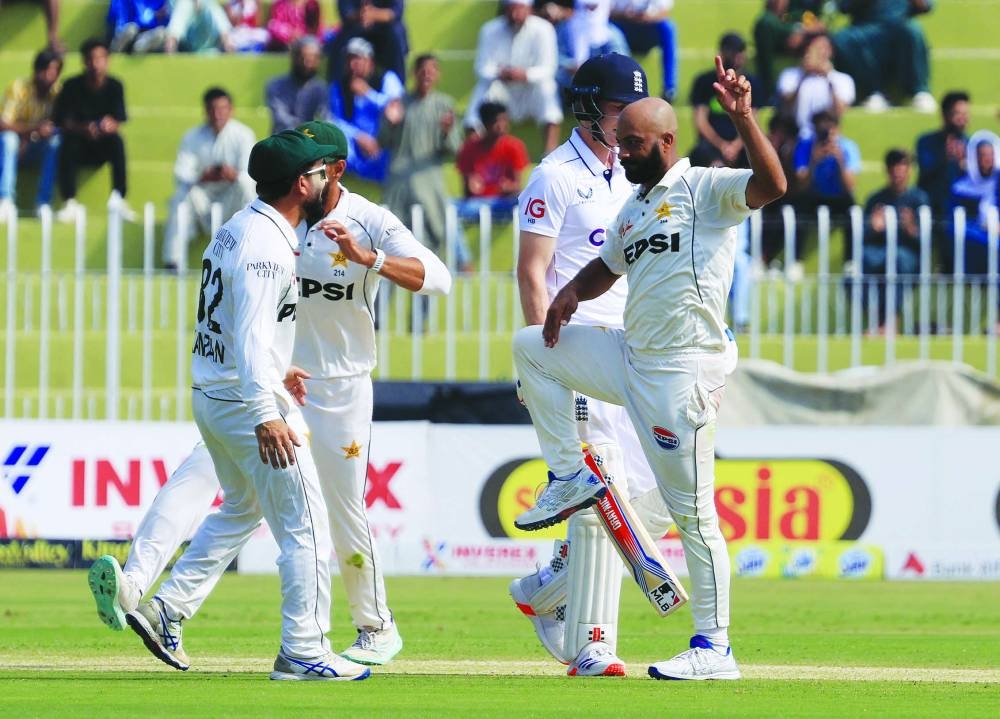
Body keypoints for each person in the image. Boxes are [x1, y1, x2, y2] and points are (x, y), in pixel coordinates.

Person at [88, 120, 451, 668]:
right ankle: (156, 594)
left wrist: (368, 259)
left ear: (334, 172)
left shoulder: (364, 220)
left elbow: (440, 278)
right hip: (266, 391)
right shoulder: (270, 231)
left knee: (334, 508)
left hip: (333, 386)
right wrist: (267, 395)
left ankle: (374, 626)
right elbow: (255, 323)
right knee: (240, 494)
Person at [511, 59, 786, 681]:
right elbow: (602, 266)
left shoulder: (705, 190)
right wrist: (565, 300)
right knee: (532, 346)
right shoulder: (633, 206)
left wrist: (743, 115)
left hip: (680, 375)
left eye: (634, 143)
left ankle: (713, 648)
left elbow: (772, 185)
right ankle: (565, 478)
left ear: (666, 142)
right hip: (629, 357)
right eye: (620, 137)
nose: (622, 150)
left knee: (686, 515)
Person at [120, 128, 374, 681]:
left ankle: (168, 607)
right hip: (245, 402)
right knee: (306, 525)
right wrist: (265, 409)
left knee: (241, 508)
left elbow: (235, 320)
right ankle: (303, 650)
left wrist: (276, 372)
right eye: (316, 173)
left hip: (216, 393)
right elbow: (255, 332)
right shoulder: (265, 247)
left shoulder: (239, 228)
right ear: (299, 184)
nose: (324, 178)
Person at [509, 53, 674, 677]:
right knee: (598, 483)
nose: (624, 119)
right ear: (586, 108)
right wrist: (540, 365)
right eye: (614, 109)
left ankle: (548, 588)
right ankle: (594, 642)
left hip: (633, 350)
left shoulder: (636, 175)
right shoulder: (553, 176)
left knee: (644, 495)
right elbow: (531, 273)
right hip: (574, 345)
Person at [380, 54, 466, 269]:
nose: (427, 74)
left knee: (430, 243)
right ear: (413, 73)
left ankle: (425, 301)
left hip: (430, 184)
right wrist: (391, 124)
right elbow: (381, 142)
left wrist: (446, 132)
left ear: (438, 75)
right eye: (422, 69)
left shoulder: (444, 105)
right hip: (399, 183)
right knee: (390, 243)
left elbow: (455, 150)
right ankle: (380, 303)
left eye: (432, 69)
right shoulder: (398, 104)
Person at [162, 87, 256, 270]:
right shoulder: (191, 136)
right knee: (181, 195)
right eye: (212, 109)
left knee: (246, 184)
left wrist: (233, 174)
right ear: (205, 111)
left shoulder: (244, 135)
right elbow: (181, 173)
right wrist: (203, 176)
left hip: (232, 198)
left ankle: (250, 250)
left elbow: (250, 172)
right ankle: (173, 261)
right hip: (203, 198)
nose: (217, 114)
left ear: (231, 110)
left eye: (222, 108)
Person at [464, 0, 562, 156]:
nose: (515, 15)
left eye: (519, 9)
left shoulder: (544, 29)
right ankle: (475, 155)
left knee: (547, 88)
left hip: (531, 89)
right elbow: (481, 68)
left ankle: (550, 153)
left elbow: (548, 68)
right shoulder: (490, 29)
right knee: (483, 90)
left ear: (529, 9)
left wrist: (525, 74)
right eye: (511, 10)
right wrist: (500, 73)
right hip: (502, 89)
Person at [51, 38, 132, 223]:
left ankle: (119, 198)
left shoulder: (115, 86)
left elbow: (119, 119)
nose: (95, 64)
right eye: (91, 59)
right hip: (78, 143)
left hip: (103, 144)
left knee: (117, 141)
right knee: (66, 143)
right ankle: (69, 201)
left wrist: (109, 125)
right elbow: (61, 121)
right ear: (84, 61)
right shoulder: (71, 86)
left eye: (100, 58)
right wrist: (83, 128)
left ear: (107, 60)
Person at [860, 149, 930, 324]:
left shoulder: (919, 199)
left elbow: (926, 241)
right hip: (879, 252)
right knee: (863, 263)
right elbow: (863, 237)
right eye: (894, 168)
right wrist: (874, 228)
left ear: (909, 171)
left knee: (896, 261)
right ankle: (876, 319)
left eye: (903, 167)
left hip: (908, 256)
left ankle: (889, 320)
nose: (898, 173)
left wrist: (911, 229)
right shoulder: (875, 199)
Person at [832, 0, 935, 113]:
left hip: (899, 24)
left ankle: (920, 92)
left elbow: (926, 7)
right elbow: (843, 7)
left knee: (913, 30)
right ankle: (873, 93)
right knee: (843, 40)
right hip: (865, 27)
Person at [329, 36, 404, 183]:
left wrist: (368, 94)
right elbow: (335, 120)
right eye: (349, 59)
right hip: (356, 144)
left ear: (370, 61)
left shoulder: (387, 79)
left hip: (383, 142)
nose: (352, 64)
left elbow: (396, 110)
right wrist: (359, 136)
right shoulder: (338, 87)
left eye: (357, 59)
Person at [0, 49, 62, 223]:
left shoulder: (57, 94)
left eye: (55, 72)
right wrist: (32, 131)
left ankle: (43, 203)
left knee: (56, 142)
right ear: (36, 71)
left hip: (35, 147)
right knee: (9, 139)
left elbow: (58, 125)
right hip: (11, 147)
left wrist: (35, 136)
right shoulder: (18, 88)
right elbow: (3, 124)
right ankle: (5, 200)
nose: (50, 76)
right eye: (47, 70)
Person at [689, 32, 763, 168]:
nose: (737, 56)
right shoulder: (704, 82)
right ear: (722, 52)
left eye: (740, 51)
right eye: (732, 51)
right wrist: (722, 145)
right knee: (701, 155)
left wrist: (735, 147)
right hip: (712, 145)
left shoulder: (752, 84)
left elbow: (753, 120)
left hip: (741, 146)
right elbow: (700, 121)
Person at [455, 101, 530, 223]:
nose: (502, 125)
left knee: (521, 204)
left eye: (505, 120)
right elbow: (467, 192)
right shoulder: (469, 148)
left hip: (504, 204)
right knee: (449, 208)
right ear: (485, 123)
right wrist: (471, 187)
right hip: (477, 204)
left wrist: (508, 188)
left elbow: (518, 187)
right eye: (497, 121)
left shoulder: (515, 146)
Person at [775, 32, 854, 138]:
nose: (818, 52)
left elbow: (840, 111)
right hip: (795, 137)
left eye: (822, 47)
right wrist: (803, 76)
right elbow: (787, 104)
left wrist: (828, 77)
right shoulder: (790, 75)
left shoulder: (843, 79)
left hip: (827, 137)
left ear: (830, 51)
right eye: (814, 47)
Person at [916, 91, 970, 239]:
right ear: (945, 115)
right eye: (957, 114)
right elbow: (925, 177)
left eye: (965, 114)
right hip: (933, 206)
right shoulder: (926, 142)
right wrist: (944, 159)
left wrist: (965, 166)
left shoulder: (972, 146)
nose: (962, 119)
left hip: (964, 209)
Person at [752, 0, 825, 103]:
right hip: (775, 81)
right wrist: (798, 31)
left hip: (798, 79)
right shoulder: (767, 22)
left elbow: (820, 26)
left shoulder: (795, 13)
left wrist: (802, 31)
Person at [949, 131, 1000, 275]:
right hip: (975, 237)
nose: (987, 160)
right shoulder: (961, 187)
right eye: (982, 155)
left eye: (990, 155)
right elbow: (956, 220)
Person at [609, 0, 677, 101]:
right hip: (623, 27)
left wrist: (648, 17)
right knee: (610, 30)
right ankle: (621, 86)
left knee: (668, 27)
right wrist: (627, 15)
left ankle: (669, 89)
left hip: (648, 27)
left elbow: (664, 13)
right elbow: (606, 12)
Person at [326, 0, 409, 82]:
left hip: (384, 28)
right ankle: (336, 86)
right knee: (341, 40)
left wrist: (373, 15)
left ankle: (398, 86)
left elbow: (396, 12)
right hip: (357, 25)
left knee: (396, 33)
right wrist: (361, 16)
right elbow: (345, 11)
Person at [265, 36, 329, 133]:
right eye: (303, 57)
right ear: (294, 57)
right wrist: (307, 131)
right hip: (285, 141)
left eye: (312, 59)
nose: (307, 63)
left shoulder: (321, 89)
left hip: (314, 142)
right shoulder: (275, 86)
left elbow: (326, 118)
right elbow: (282, 119)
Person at [164, 0, 233, 53]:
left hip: (208, 37)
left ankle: (229, 44)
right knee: (184, 4)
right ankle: (170, 46)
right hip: (187, 39)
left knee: (212, 5)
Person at [106, 0, 171, 54]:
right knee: (131, 29)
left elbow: (165, 22)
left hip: (145, 37)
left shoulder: (161, 2)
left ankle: (137, 50)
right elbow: (114, 20)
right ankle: (115, 54)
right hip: (124, 35)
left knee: (160, 33)